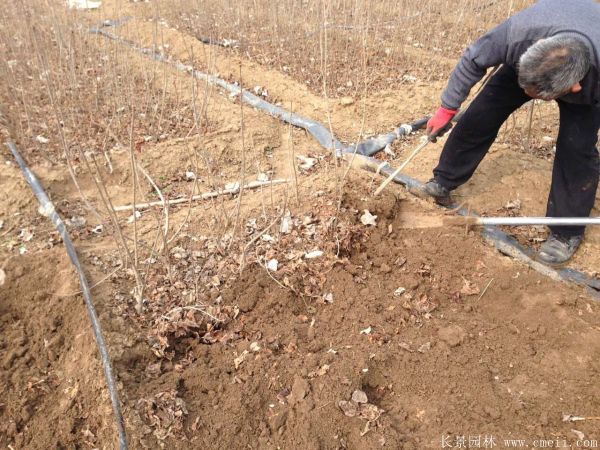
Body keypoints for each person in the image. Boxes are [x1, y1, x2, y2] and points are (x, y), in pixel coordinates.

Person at [421, 0, 600, 266]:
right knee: (482, 113)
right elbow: (473, 59)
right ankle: (444, 180)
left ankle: (566, 231)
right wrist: (447, 109)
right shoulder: (520, 34)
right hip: (544, 52)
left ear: (573, 87)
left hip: (590, 73)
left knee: (577, 149)